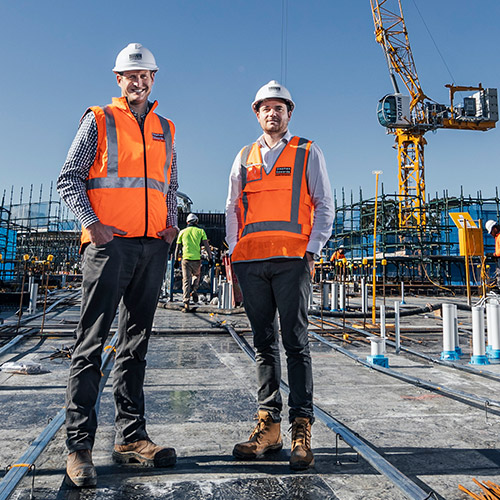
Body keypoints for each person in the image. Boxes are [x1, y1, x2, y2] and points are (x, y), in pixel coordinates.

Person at [57, 43, 179, 488]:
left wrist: (170, 227)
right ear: (118, 79)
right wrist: (95, 224)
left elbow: (170, 186)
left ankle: (130, 437)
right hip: (109, 248)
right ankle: (78, 446)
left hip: (152, 250)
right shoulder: (99, 119)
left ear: (153, 78)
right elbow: (68, 178)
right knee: (91, 344)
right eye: (131, 75)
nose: (139, 81)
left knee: (136, 346)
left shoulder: (166, 127)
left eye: (146, 75)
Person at [225, 80, 334, 470]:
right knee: (264, 343)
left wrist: (311, 252)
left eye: (280, 107)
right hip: (252, 263)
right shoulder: (244, 155)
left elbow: (324, 204)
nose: (273, 113)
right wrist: (235, 252)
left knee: (295, 342)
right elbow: (232, 207)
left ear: (289, 113)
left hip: (291, 261)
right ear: (257, 113)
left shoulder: (307, 150)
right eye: (266, 107)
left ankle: (301, 429)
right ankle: (268, 426)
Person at [174, 213, 213, 312]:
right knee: (196, 276)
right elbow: (207, 246)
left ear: (187, 222)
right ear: (196, 222)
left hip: (185, 259)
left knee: (186, 280)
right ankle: (194, 290)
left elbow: (177, 248)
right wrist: (210, 258)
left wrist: (175, 260)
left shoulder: (182, 232)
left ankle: (186, 303)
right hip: (196, 259)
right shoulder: (201, 231)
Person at [485, 219, 500, 286]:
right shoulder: (497, 237)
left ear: (495, 229)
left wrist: (494, 254)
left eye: (491, 232)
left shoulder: (499, 237)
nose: (491, 234)